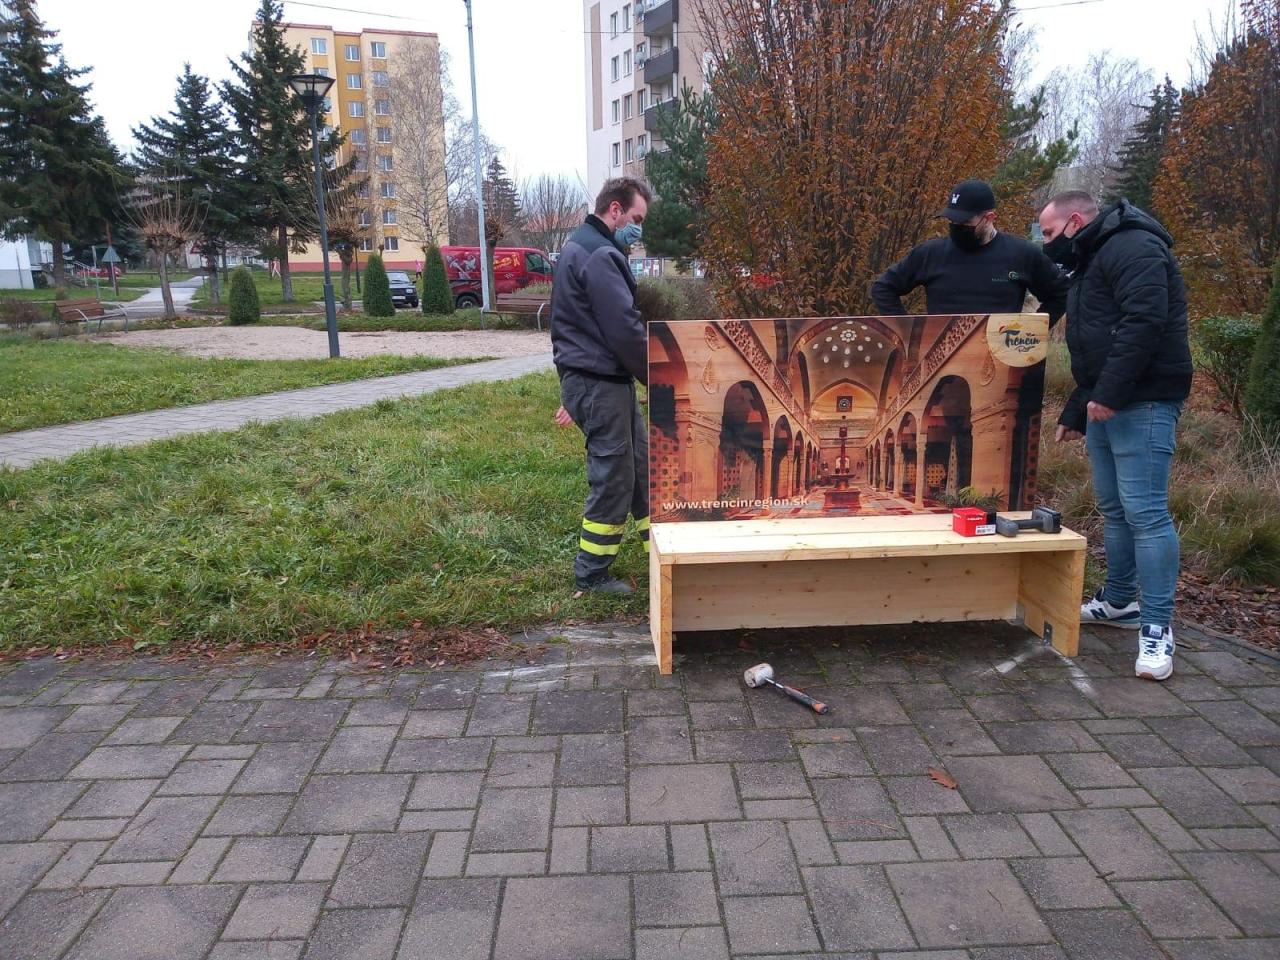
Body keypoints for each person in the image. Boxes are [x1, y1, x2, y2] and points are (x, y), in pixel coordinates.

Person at [1039, 191, 1193, 682]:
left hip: (1144, 399)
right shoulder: (1092, 256)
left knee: (1146, 512)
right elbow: (1097, 343)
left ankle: (1157, 626)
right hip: (1108, 400)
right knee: (1114, 507)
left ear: (1075, 220)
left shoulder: (1134, 246)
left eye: (1049, 232)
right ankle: (1120, 600)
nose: (1046, 243)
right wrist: (1078, 408)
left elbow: (1143, 323)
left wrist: (1108, 394)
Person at [549, 177, 651, 595]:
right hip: (598, 383)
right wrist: (659, 376)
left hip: (604, 380)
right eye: (636, 219)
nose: (638, 228)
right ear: (615, 210)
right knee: (614, 476)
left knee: (640, 466)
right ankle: (591, 573)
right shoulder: (599, 254)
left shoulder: (587, 246)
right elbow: (624, 330)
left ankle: (661, 547)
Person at [872, 179, 1069, 323]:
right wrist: (908, 331)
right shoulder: (929, 254)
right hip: (940, 358)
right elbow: (883, 288)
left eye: (965, 222)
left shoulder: (1022, 254)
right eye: (952, 221)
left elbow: (1061, 292)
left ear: (989, 218)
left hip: (1001, 357)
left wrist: (1031, 334)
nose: (957, 227)